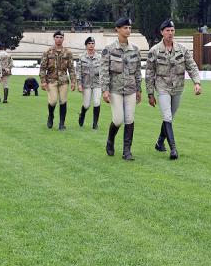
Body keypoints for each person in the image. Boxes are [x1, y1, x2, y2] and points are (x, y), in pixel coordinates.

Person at [146, 19, 202, 160]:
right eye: (167, 31)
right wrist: (150, 93)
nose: (170, 33)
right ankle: (173, 149)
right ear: (162, 32)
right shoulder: (154, 51)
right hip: (162, 87)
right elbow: (149, 73)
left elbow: (191, 66)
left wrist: (197, 82)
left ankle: (160, 142)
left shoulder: (182, 49)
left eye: (172, 30)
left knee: (170, 117)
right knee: (167, 117)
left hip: (178, 87)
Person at [100, 17, 142, 160]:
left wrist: (139, 89)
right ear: (117, 29)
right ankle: (110, 140)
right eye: (125, 28)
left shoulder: (135, 50)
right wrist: (105, 90)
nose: (128, 30)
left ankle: (127, 151)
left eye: (129, 28)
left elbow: (137, 72)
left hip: (130, 89)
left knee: (129, 119)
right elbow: (104, 71)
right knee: (118, 120)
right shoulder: (109, 50)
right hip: (115, 89)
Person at [39, 31, 76, 130]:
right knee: (53, 101)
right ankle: (51, 116)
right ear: (54, 38)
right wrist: (43, 81)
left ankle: (61, 123)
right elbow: (42, 67)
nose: (59, 39)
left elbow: (71, 68)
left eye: (61, 37)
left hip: (63, 80)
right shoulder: (48, 52)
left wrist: (73, 81)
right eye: (57, 37)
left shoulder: (68, 53)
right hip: (51, 80)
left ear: (63, 39)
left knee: (63, 101)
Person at [76, 37, 102, 129]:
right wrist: (79, 84)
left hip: (97, 83)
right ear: (86, 45)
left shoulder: (99, 57)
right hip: (86, 83)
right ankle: (82, 114)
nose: (91, 45)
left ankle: (95, 124)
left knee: (96, 102)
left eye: (92, 43)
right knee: (86, 104)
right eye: (89, 44)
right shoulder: (81, 57)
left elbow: (103, 71)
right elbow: (78, 71)